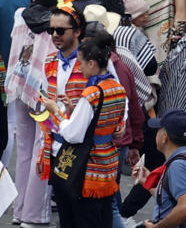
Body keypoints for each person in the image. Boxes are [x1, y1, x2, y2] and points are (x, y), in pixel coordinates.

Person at [47, 35, 128, 228]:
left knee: (83, 219)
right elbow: (109, 124)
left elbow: (73, 134)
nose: (79, 68)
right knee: (104, 217)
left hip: (88, 169)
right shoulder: (118, 89)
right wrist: (74, 111)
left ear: (92, 63)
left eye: (81, 63)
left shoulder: (91, 94)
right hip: (108, 166)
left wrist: (56, 112)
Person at [141, 111, 186, 228]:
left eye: (158, 129)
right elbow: (171, 198)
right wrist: (145, 180)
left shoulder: (178, 166)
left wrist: (158, 227)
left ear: (164, 137)